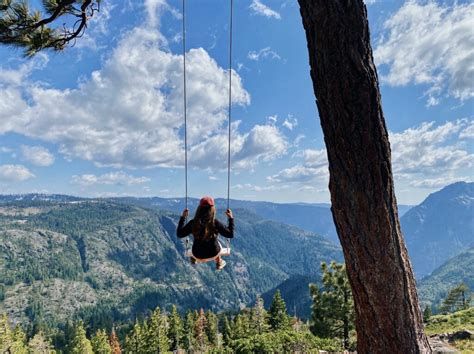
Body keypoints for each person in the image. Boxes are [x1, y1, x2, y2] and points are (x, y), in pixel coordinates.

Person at [177, 196, 234, 270]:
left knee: (195, 243)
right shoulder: (214, 223)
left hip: (197, 254)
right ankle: (219, 262)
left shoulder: (193, 223)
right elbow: (230, 234)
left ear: (199, 209)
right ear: (212, 209)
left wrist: (183, 217)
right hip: (213, 253)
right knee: (217, 243)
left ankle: (194, 258)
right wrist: (230, 218)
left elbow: (179, 234)